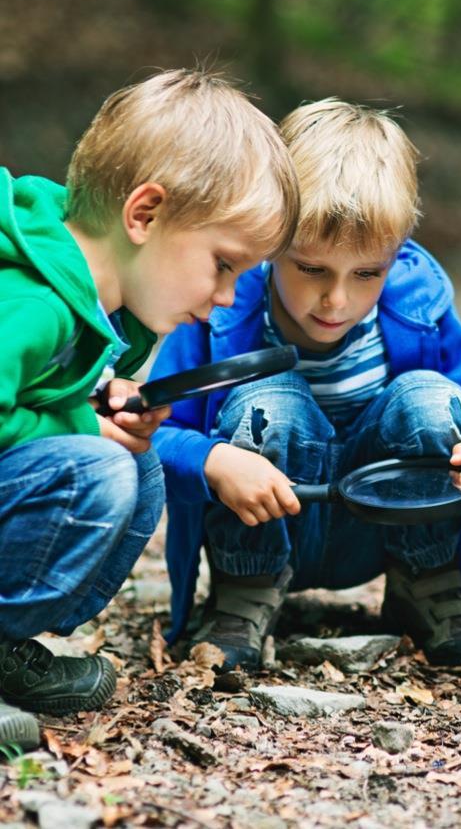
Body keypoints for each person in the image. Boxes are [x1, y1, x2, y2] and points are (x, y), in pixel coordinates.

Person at [152, 98, 461, 674]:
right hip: (266, 521)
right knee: (270, 398)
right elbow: (156, 437)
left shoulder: (419, 306)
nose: (337, 300)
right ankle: (244, 596)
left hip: (381, 526)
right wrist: (214, 460)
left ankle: (428, 582)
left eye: (367, 273)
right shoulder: (222, 312)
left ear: (395, 255)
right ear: (270, 243)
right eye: (311, 269)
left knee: (430, 397)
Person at [0, 68, 298, 750]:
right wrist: (78, 425)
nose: (227, 297)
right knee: (96, 470)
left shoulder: (107, 316)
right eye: (223, 264)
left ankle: (5, 645)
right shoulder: (31, 304)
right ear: (144, 214)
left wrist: (98, 403)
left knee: (138, 470)